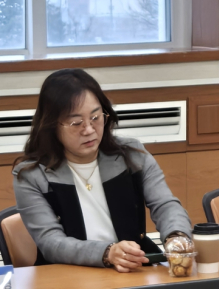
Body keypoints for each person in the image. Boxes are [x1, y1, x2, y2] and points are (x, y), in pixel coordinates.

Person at [13, 68, 192, 271]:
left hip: (132, 271)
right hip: (68, 275)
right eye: (76, 123)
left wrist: (177, 237)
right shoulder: (31, 175)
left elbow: (165, 204)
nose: (89, 130)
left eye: (96, 117)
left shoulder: (132, 156)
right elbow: (51, 242)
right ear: (52, 125)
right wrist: (107, 253)